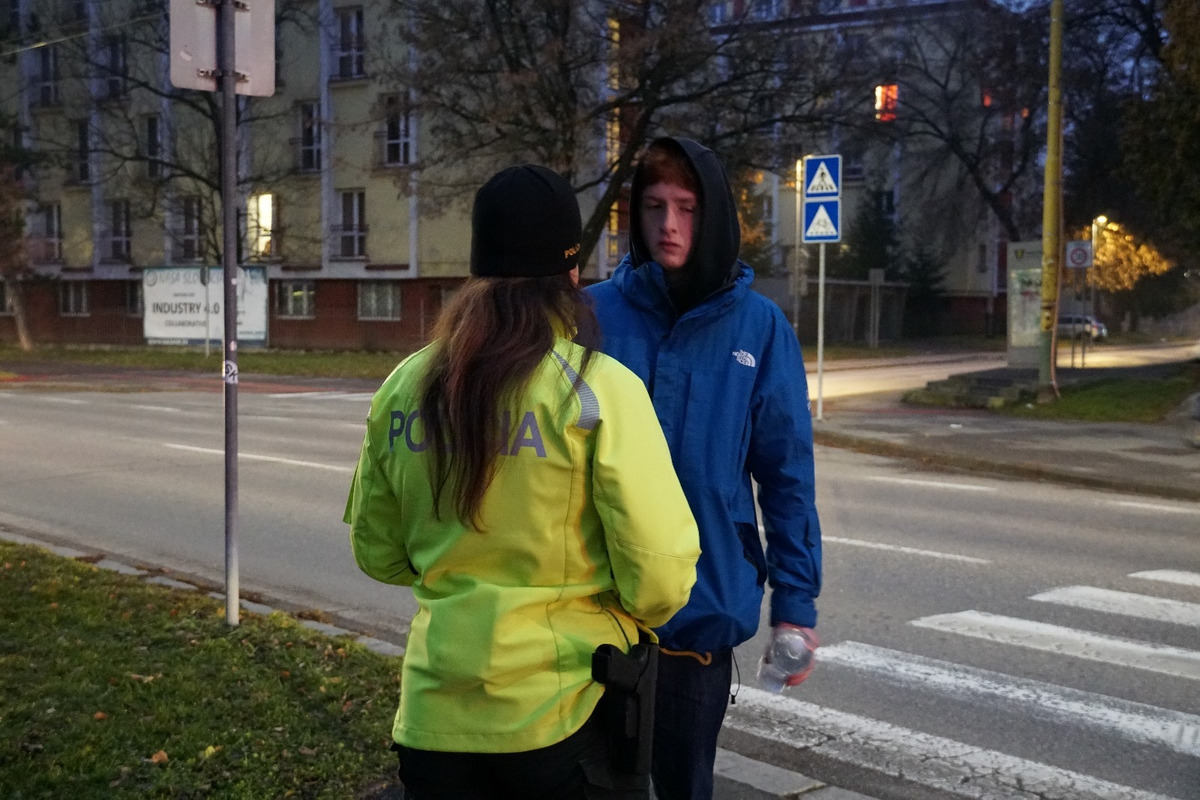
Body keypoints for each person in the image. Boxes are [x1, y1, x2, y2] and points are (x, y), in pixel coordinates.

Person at [344, 164, 700, 800]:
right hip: (562, 717)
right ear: (572, 275)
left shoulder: (405, 386)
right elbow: (661, 578)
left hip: (432, 720)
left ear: (477, 274)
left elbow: (377, 552)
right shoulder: (600, 390)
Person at [587, 137, 823, 800]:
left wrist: (796, 604)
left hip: (698, 617)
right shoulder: (596, 314)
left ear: (714, 215)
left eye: (686, 208)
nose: (668, 225)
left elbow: (786, 478)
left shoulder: (760, 329)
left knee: (684, 786)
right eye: (655, 206)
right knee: (596, 786)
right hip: (598, 611)